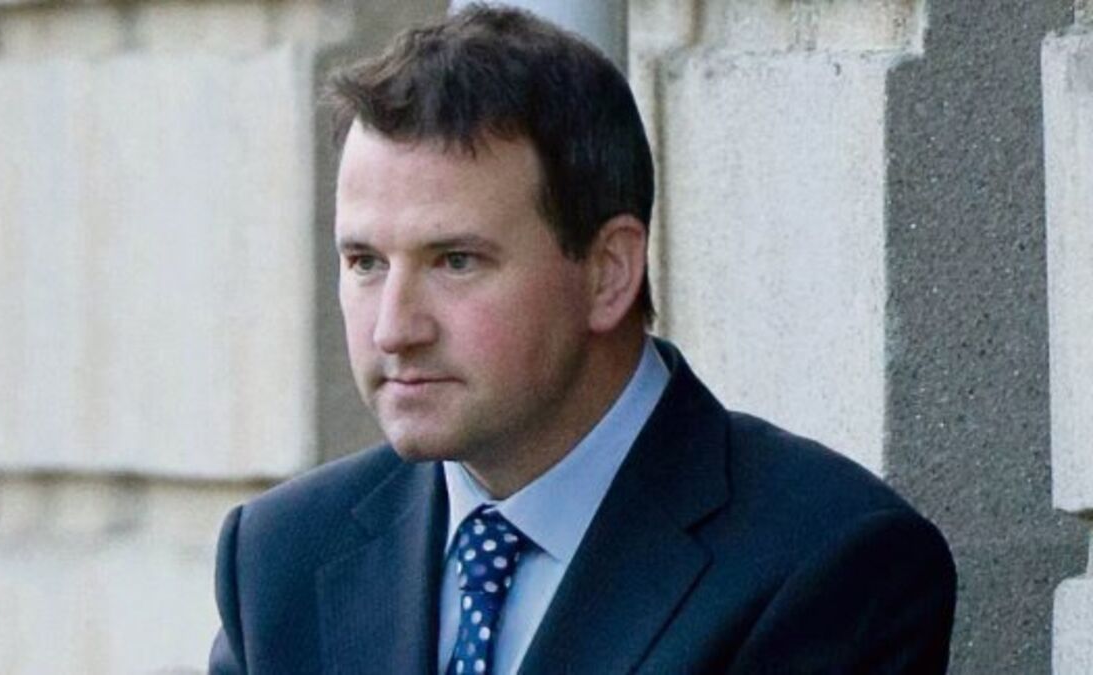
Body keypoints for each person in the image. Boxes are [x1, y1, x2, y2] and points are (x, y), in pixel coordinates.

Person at [209, 5, 956, 674]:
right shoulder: (280, 555)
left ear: (608, 273)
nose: (394, 328)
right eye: (365, 262)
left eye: (456, 261)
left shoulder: (827, 562)